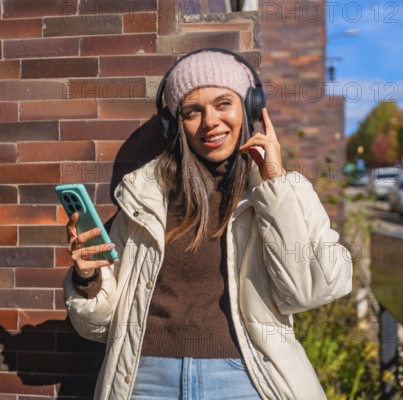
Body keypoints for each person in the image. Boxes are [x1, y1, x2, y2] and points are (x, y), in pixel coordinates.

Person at [63, 48, 353, 400]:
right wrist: (88, 279)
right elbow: (101, 325)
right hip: (145, 379)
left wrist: (274, 180)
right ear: (176, 124)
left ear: (248, 109)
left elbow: (310, 290)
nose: (210, 121)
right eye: (193, 111)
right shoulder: (143, 200)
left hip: (244, 378)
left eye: (223, 104)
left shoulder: (277, 193)